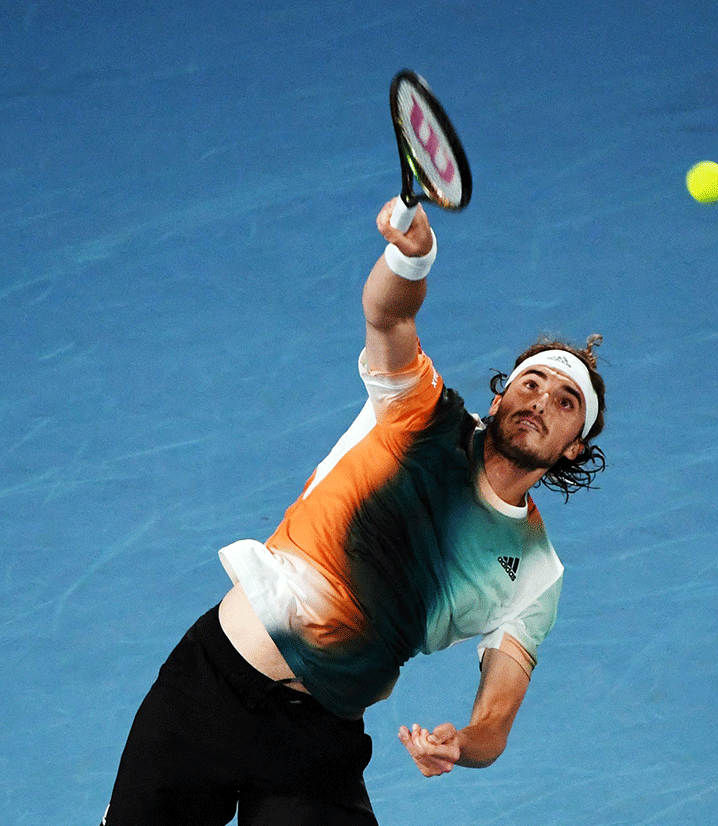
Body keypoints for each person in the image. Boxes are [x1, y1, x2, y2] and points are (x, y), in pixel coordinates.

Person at [100, 198, 607, 825]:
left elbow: (496, 721)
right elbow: (388, 313)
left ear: (574, 445)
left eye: (564, 402)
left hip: (317, 742)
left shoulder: (535, 572)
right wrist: (411, 257)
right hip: (211, 688)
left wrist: (463, 744)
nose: (539, 402)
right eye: (530, 383)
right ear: (502, 392)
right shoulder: (419, 414)